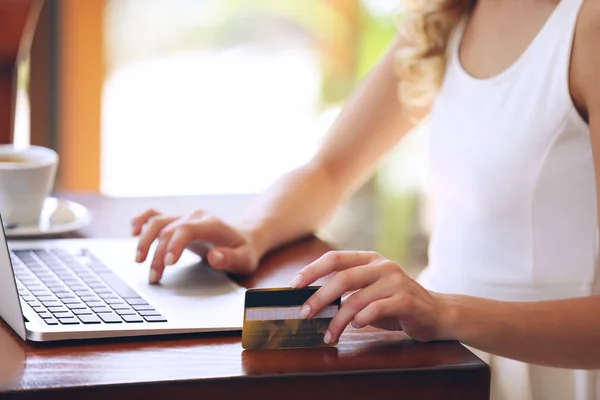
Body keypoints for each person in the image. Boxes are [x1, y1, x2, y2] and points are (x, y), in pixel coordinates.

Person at [131, 0, 600, 398]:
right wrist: (252, 232)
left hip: (548, 370)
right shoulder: (449, 15)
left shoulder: (587, 26)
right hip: (447, 361)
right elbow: (330, 169)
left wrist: (441, 310)